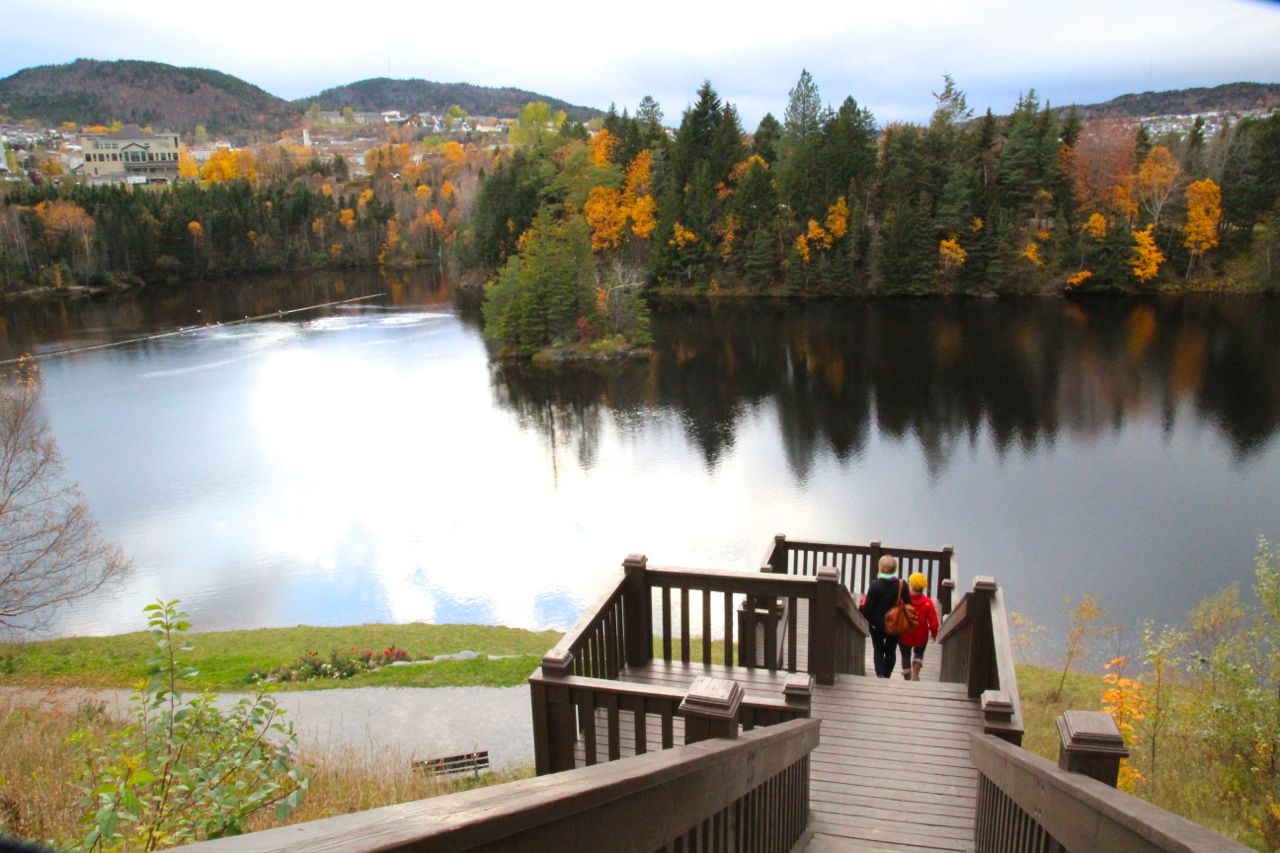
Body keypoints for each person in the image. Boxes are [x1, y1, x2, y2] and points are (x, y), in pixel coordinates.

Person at [858, 555, 911, 678]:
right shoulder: (902, 585)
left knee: (878, 650)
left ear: (880, 569)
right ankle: (887, 675)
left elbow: (867, 608)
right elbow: (909, 605)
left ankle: (880, 675)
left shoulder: (874, 585)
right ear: (895, 569)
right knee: (891, 650)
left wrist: (869, 620)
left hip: (877, 625)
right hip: (895, 624)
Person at [897, 572, 940, 680]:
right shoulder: (928, 602)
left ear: (910, 586)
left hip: (904, 634)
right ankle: (916, 671)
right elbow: (934, 621)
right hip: (921, 635)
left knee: (905, 656)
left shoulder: (902, 600)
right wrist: (934, 633)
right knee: (919, 652)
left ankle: (907, 676)